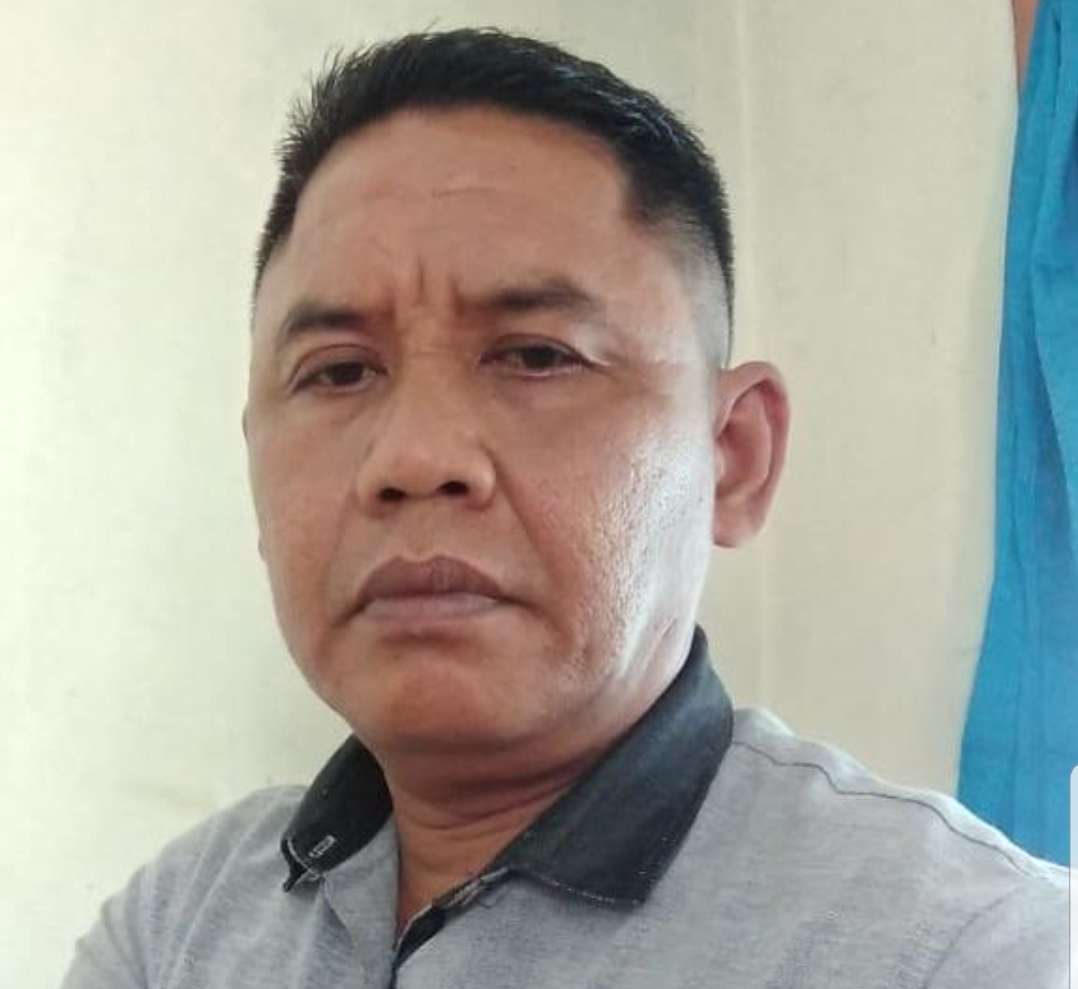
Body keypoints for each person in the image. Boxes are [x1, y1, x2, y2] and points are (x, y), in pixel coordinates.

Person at [61, 27, 1067, 989]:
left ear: (732, 456)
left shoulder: (972, 950)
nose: (413, 458)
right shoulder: (178, 925)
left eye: (537, 355)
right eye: (337, 371)